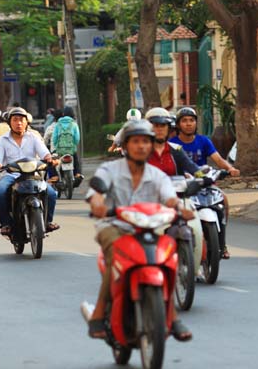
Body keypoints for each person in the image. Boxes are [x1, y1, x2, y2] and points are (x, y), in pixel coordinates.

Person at [80, 120, 193, 342]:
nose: (141, 146)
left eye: (145, 142)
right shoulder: (109, 170)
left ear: (151, 146)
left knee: (169, 259)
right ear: (125, 146)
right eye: (136, 142)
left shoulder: (158, 175)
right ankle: (98, 314)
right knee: (116, 262)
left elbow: (170, 197)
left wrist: (180, 208)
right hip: (114, 227)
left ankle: (172, 316)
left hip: (149, 228)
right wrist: (98, 204)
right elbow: (96, 191)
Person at [173, 106, 240, 258]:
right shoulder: (172, 144)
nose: (189, 124)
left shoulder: (204, 141)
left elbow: (218, 159)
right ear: (178, 125)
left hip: (203, 181)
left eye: (191, 120)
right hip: (182, 185)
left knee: (224, 199)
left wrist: (230, 169)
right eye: (184, 121)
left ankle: (222, 243)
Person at [0, 107, 59, 235]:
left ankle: (48, 221)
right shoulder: (2, 140)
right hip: (11, 175)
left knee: (51, 193)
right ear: (9, 122)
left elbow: (44, 153)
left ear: (27, 122)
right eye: (15, 120)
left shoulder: (33, 137)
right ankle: (6, 224)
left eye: (22, 120)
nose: (19, 123)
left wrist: (50, 159)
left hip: (33, 175)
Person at [145, 108, 199, 177]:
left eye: (163, 125)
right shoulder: (140, 151)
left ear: (169, 128)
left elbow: (192, 168)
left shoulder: (176, 149)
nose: (160, 129)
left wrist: (203, 177)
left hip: (174, 187)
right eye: (156, 125)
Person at [49, 106, 83, 183]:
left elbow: (55, 137)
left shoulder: (58, 124)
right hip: (70, 149)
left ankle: (57, 176)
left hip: (60, 150)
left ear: (63, 114)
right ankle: (77, 173)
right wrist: (74, 145)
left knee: (55, 162)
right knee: (75, 159)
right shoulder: (74, 124)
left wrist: (57, 145)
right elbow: (77, 138)